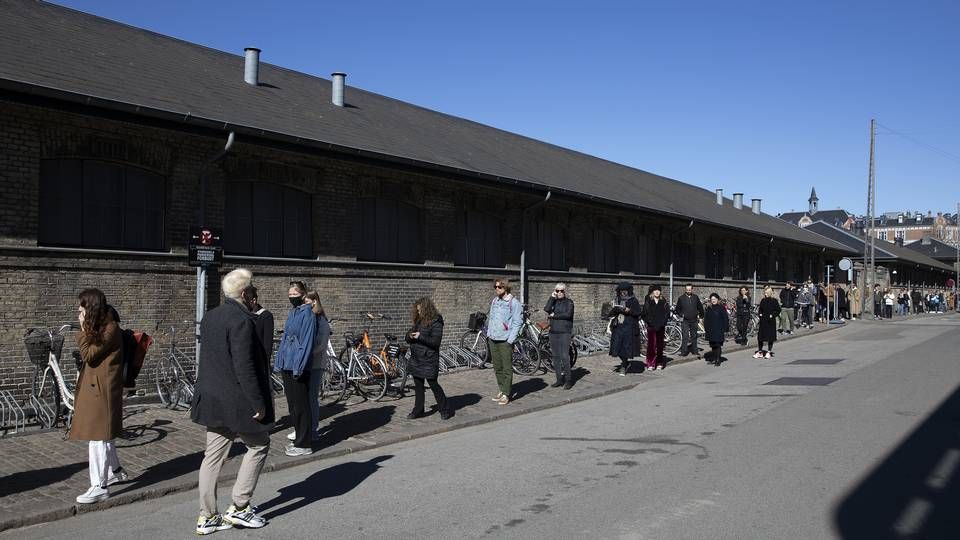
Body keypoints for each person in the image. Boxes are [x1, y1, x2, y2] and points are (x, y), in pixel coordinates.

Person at [191, 268, 272, 534]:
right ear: (245, 292)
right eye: (252, 289)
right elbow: (244, 366)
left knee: (212, 456)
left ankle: (207, 515)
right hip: (236, 399)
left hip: (212, 397)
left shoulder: (210, 317)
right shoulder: (242, 320)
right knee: (259, 445)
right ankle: (240, 507)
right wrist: (258, 402)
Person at [70, 288, 126, 505]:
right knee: (104, 435)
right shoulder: (103, 326)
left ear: (91, 307)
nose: (79, 310)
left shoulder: (110, 328)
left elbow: (89, 355)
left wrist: (83, 329)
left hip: (103, 390)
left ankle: (99, 486)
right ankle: (115, 472)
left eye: (82, 306)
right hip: (98, 387)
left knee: (98, 437)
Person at [275, 281, 317, 457]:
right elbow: (285, 338)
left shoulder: (308, 314)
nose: (292, 297)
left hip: (298, 365)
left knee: (301, 405)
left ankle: (304, 443)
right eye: (290, 295)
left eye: (295, 294)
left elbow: (307, 342)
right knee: (293, 406)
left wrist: (299, 367)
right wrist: (280, 360)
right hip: (287, 363)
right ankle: (299, 438)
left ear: (303, 294)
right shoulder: (293, 312)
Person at [405, 297, 451, 419]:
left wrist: (420, 337)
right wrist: (409, 336)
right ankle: (418, 410)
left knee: (433, 384)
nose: (418, 312)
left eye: (420, 310)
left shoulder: (436, 321)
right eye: (417, 310)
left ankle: (444, 409)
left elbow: (436, 342)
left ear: (426, 309)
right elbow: (408, 336)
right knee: (418, 386)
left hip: (429, 358)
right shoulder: (419, 320)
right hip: (416, 358)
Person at [488, 278, 522, 405]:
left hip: (505, 340)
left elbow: (517, 322)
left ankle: (507, 394)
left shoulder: (513, 303)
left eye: (499, 287)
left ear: (506, 288)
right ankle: (502, 389)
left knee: (507, 368)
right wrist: (489, 333)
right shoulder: (495, 301)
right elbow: (491, 318)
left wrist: (510, 340)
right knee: (497, 367)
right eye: (495, 287)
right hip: (493, 338)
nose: (497, 289)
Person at [303, 291, 331, 438]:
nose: (304, 306)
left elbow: (320, 345)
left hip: (315, 364)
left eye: (307, 303)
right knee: (303, 397)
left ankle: (313, 429)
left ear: (314, 302)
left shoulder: (321, 321)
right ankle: (304, 428)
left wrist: (304, 353)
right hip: (304, 364)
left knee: (311, 397)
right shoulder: (307, 318)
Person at [544, 283, 575, 389]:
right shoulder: (554, 302)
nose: (559, 293)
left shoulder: (569, 302)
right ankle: (559, 380)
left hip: (565, 332)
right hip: (553, 332)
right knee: (556, 357)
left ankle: (568, 380)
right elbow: (547, 309)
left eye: (561, 291)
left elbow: (568, 315)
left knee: (565, 356)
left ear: (565, 292)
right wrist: (551, 297)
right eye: (557, 291)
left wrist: (554, 316)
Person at [609, 282, 643, 375]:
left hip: (628, 326)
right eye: (621, 291)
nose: (623, 293)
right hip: (618, 326)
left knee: (625, 347)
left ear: (628, 291)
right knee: (616, 346)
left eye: (625, 291)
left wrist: (629, 311)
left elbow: (638, 312)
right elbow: (612, 312)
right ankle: (626, 363)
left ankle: (624, 365)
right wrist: (612, 310)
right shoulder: (617, 300)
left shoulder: (633, 300)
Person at [642, 284, 669, 371]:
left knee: (660, 345)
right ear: (653, 292)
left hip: (660, 327)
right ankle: (650, 363)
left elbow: (667, 313)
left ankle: (659, 362)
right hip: (651, 327)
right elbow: (644, 314)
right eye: (655, 290)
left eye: (658, 290)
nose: (657, 292)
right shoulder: (648, 301)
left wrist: (663, 322)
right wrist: (649, 322)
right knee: (651, 346)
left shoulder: (663, 301)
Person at [675, 284, 704, 358]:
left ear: (692, 289)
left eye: (690, 289)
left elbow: (700, 307)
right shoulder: (681, 298)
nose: (688, 291)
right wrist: (682, 315)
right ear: (685, 290)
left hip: (694, 319)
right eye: (687, 289)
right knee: (685, 336)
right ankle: (683, 352)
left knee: (694, 336)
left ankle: (695, 351)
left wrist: (701, 316)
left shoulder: (695, 297)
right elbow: (677, 309)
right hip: (685, 320)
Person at [755, 286, 781, 359]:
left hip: (770, 321)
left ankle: (769, 351)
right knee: (760, 337)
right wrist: (760, 314)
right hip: (763, 321)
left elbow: (778, 310)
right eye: (764, 293)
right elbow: (760, 309)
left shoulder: (774, 301)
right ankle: (760, 351)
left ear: (770, 293)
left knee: (770, 337)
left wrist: (772, 315)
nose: (765, 294)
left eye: (766, 293)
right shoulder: (763, 300)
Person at [703, 293, 729, 366]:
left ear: (717, 299)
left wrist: (725, 328)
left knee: (718, 345)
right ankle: (714, 358)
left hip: (719, 329)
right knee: (713, 345)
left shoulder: (721, 307)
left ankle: (718, 359)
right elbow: (706, 319)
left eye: (714, 299)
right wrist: (706, 328)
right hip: (711, 329)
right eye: (712, 299)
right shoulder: (709, 308)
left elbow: (725, 318)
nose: (713, 301)